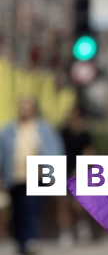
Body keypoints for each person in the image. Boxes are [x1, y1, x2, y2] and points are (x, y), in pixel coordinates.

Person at [0, 97, 64, 255]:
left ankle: (31, 239)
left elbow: (55, 152)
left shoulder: (45, 129)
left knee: (31, 207)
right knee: (17, 210)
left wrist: (55, 178)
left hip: (37, 174)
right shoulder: (9, 130)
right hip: (14, 175)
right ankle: (21, 241)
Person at [57, 107, 94, 245]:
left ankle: (82, 226)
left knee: (78, 204)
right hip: (61, 170)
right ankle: (65, 232)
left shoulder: (84, 135)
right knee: (63, 204)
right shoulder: (62, 133)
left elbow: (89, 153)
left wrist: (82, 168)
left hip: (78, 172)